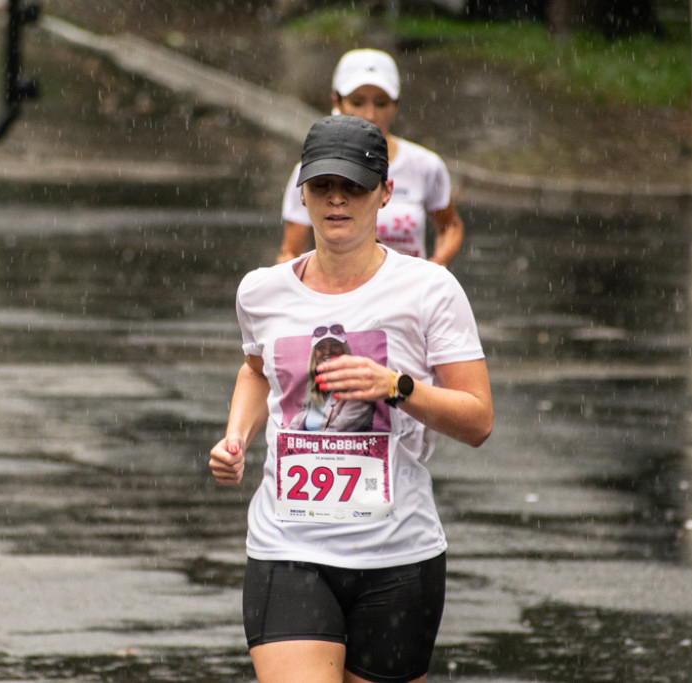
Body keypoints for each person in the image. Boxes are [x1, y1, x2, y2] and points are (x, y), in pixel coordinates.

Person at [210, 115, 492, 683]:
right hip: (287, 545)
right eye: (322, 186)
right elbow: (256, 371)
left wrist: (397, 387)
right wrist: (236, 435)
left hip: (397, 555)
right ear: (303, 192)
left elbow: (478, 419)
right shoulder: (262, 291)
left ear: (385, 193)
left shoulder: (429, 290)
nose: (337, 200)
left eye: (355, 187)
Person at [276, 48, 464, 266]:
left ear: (386, 191)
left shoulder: (425, 165)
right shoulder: (312, 172)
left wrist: (436, 266)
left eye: (381, 103)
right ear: (337, 101)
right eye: (357, 102)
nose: (370, 115)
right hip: (342, 294)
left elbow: (449, 225)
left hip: (409, 294)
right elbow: (290, 253)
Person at [286, 323, 376, 433]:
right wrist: (286, 435)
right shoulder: (314, 386)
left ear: (344, 350)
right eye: (321, 347)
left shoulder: (358, 389)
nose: (328, 352)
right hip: (308, 449)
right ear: (315, 355)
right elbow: (299, 419)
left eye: (335, 345)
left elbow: (333, 438)